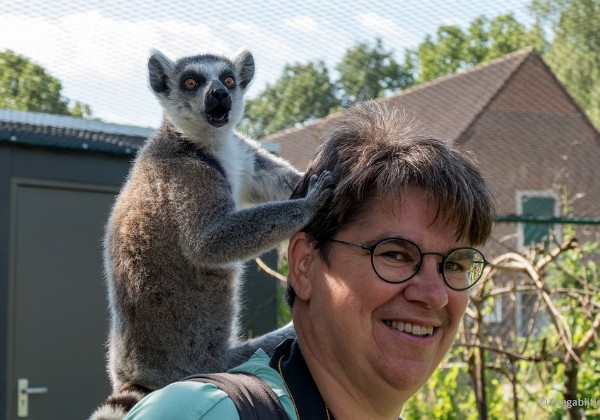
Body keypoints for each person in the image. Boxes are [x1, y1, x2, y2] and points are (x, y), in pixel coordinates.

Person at [125, 100, 495, 419]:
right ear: (304, 265)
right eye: (396, 255)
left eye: (454, 265)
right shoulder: (204, 413)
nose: (434, 294)